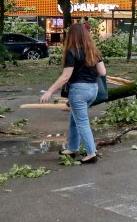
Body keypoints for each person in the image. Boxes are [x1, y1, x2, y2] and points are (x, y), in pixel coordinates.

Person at [41, 24, 106, 163]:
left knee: (82, 122)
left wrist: (50, 91)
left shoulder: (72, 51)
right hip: (93, 90)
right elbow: (103, 72)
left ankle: (91, 153)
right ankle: (72, 148)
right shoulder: (94, 51)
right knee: (74, 118)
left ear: (71, 36)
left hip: (78, 92)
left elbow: (65, 77)